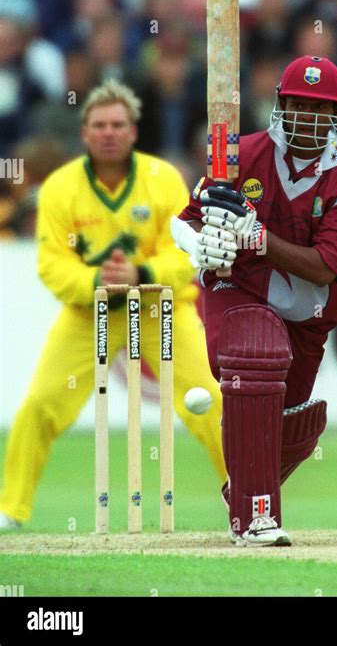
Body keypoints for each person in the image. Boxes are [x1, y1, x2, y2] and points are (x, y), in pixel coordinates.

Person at [171, 56, 337, 546]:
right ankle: (255, 517)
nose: (307, 117)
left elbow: (325, 266)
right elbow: (186, 217)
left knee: (297, 424)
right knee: (255, 355)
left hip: (307, 310)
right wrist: (197, 245)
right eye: (298, 105)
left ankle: (242, 491)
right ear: (280, 105)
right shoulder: (238, 153)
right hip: (235, 284)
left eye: (319, 108)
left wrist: (258, 236)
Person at [0, 79, 226, 530]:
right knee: (41, 404)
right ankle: (10, 509)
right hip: (90, 314)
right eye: (99, 125)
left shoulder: (162, 179)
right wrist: (98, 281)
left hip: (158, 310)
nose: (108, 133)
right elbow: (52, 264)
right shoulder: (62, 188)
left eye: (117, 124)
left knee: (211, 399)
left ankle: (245, 496)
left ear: (133, 132)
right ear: (84, 134)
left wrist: (140, 275)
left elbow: (187, 252)